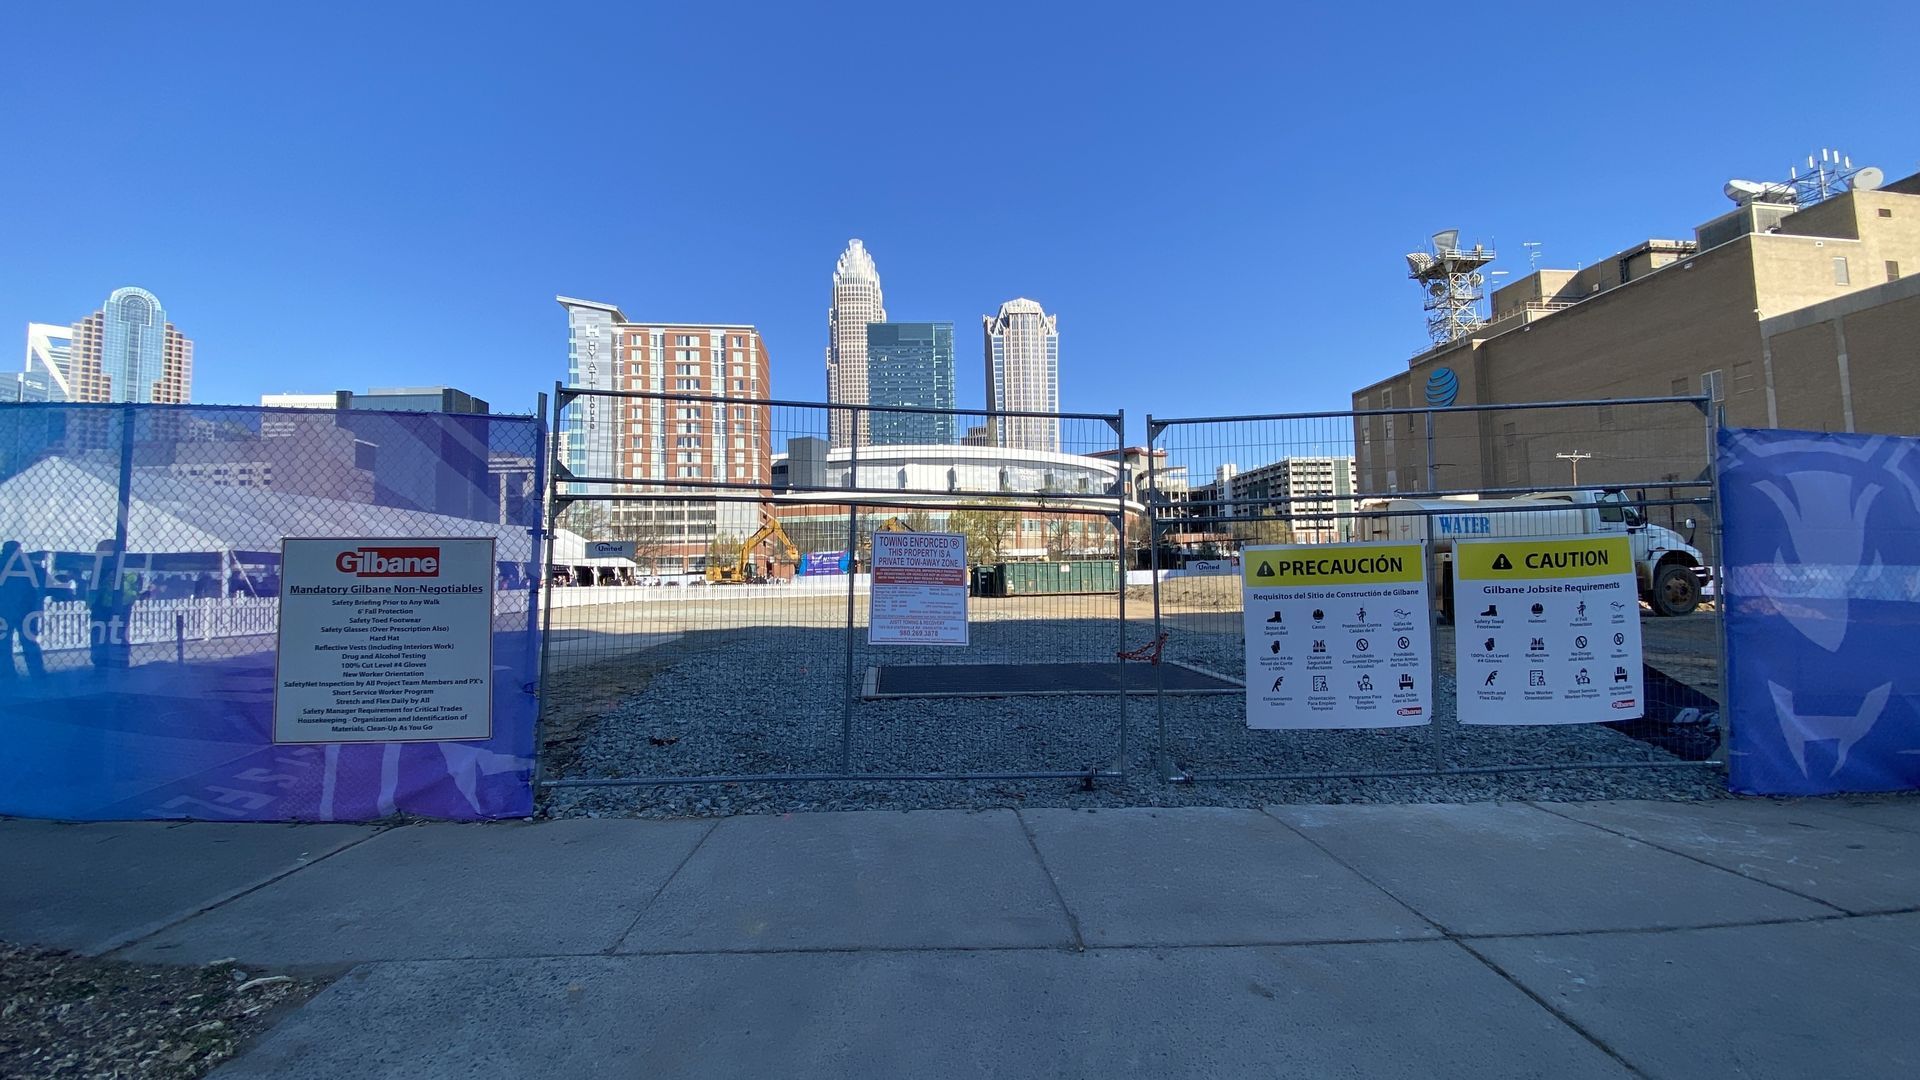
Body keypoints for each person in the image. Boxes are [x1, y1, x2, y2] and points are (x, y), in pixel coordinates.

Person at [0, 541, 48, 679]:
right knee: (30, 642)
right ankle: (37, 673)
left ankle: (7, 673)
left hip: (4, 610)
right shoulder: (33, 568)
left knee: (3, 643)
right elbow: (40, 589)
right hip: (26, 610)